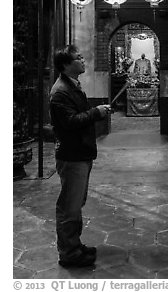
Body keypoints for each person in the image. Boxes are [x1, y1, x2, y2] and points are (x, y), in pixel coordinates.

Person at [49, 44, 111, 267]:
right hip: (72, 155)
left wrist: (96, 112)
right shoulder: (60, 92)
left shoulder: (72, 85)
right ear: (66, 64)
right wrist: (96, 112)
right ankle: (68, 252)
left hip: (80, 153)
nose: (83, 60)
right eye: (78, 58)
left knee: (76, 202)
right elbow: (70, 122)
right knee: (69, 205)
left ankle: (74, 244)